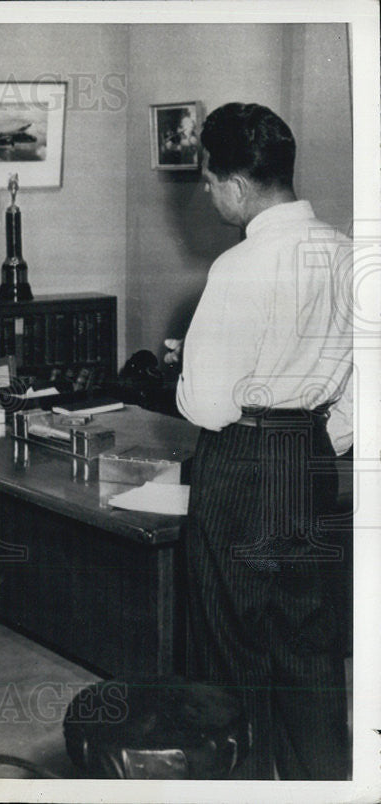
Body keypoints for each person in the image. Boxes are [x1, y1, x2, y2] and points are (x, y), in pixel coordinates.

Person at [176, 103, 353, 779]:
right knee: (309, 648)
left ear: (238, 188)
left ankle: (241, 787)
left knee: (229, 656)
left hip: (240, 465)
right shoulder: (347, 255)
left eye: (208, 179)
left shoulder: (239, 268)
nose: (206, 192)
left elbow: (208, 402)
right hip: (308, 461)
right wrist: (313, 435)